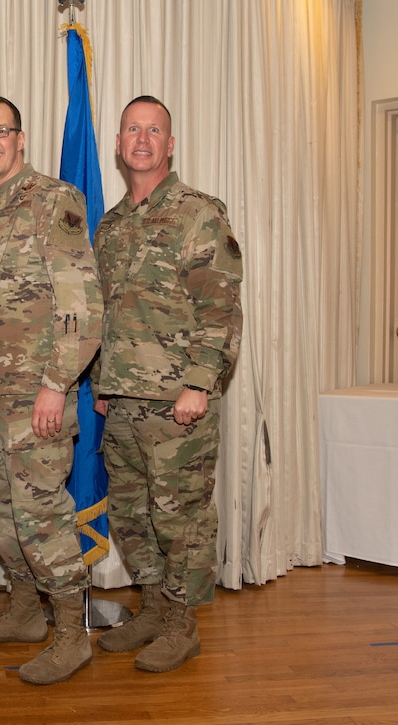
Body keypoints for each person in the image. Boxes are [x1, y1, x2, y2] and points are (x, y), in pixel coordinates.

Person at [92, 96, 243, 672]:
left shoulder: (197, 213)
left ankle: (183, 625)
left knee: (181, 517)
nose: (143, 139)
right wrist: (105, 383)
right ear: (119, 143)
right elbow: (109, 311)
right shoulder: (111, 224)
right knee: (132, 514)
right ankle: (153, 608)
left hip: (179, 400)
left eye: (155, 130)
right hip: (124, 399)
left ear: (171, 144)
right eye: (133, 129)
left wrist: (200, 384)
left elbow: (220, 309)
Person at [0, 96, 104, 685]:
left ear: (21, 137)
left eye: (0, 131)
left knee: (42, 516)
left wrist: (55, 384)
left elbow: (81, 303)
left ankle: (72, 632)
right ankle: (23, 612)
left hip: (36, 396)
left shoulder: (54, 200)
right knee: (1, 514)